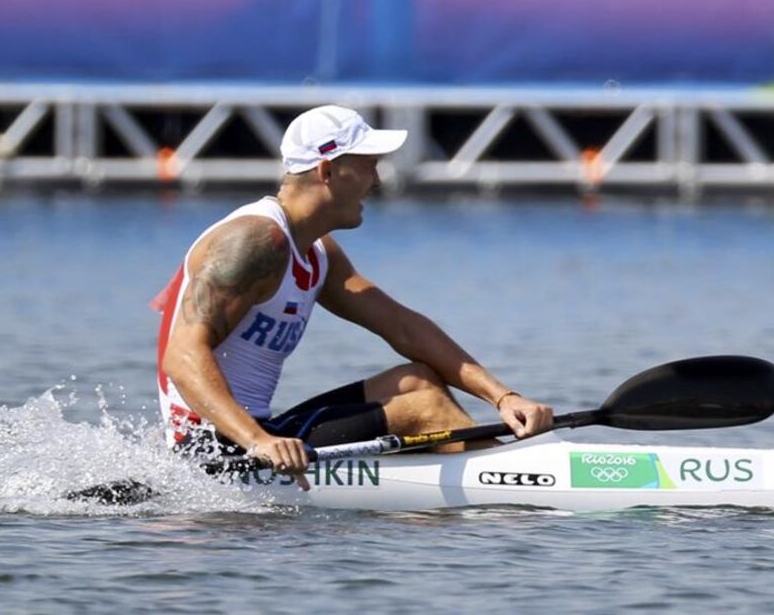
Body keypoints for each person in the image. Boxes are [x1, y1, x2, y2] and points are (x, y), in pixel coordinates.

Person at [154, 104, 553, 482]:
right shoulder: (254, 242)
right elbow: (181, 355)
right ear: (327, 171)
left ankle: (493, 477)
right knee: (424, 405)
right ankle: (519, 480)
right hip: (215, 450)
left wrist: (503, 398)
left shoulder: (317, 251)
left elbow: (403, 327)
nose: (377, 181)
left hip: (261, 434)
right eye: (368, 166)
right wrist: (258, 440)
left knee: (416, 381)